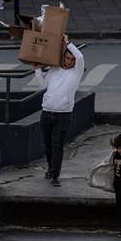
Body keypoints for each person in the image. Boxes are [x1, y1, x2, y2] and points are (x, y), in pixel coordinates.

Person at [33, 36, 84, 187]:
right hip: (47, 112)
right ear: (63, 57)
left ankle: (55, 174)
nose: (70, 62)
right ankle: (50, 169)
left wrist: (68, 43)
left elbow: (80, 56)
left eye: (72, 59)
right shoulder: (54, 70)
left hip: (63, 115)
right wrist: (37, 70)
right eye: (67, 58)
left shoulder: (76, 72)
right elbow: (43, 84)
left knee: (57, 145)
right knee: (47, 144)